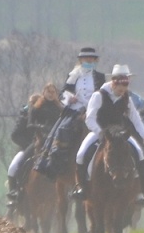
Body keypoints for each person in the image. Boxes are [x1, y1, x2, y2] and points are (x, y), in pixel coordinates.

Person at [72, 64, 144, 204]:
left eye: (125, 86)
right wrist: (100, 133)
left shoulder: (126, 97)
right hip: (100, 131)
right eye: (120, 86)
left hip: (119, 133)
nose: (122, 90)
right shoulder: (98, 96)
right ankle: (81, 187)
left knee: (140, 153)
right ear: (113, 82)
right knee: (81, 154)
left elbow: (135, 118)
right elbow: (90, 118)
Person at [35, 45, 105, 177]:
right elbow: (63, 93)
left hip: (93, 110)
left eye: (91, 59)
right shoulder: (72, 76)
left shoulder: (100, 77)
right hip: (74, 110)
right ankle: (54, 163)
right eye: (85, 59)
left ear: (95, 60)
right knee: (62, 129)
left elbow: (102, 95)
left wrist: (90, 112)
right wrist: (69, 99)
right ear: (81, 60)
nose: (88, 61)